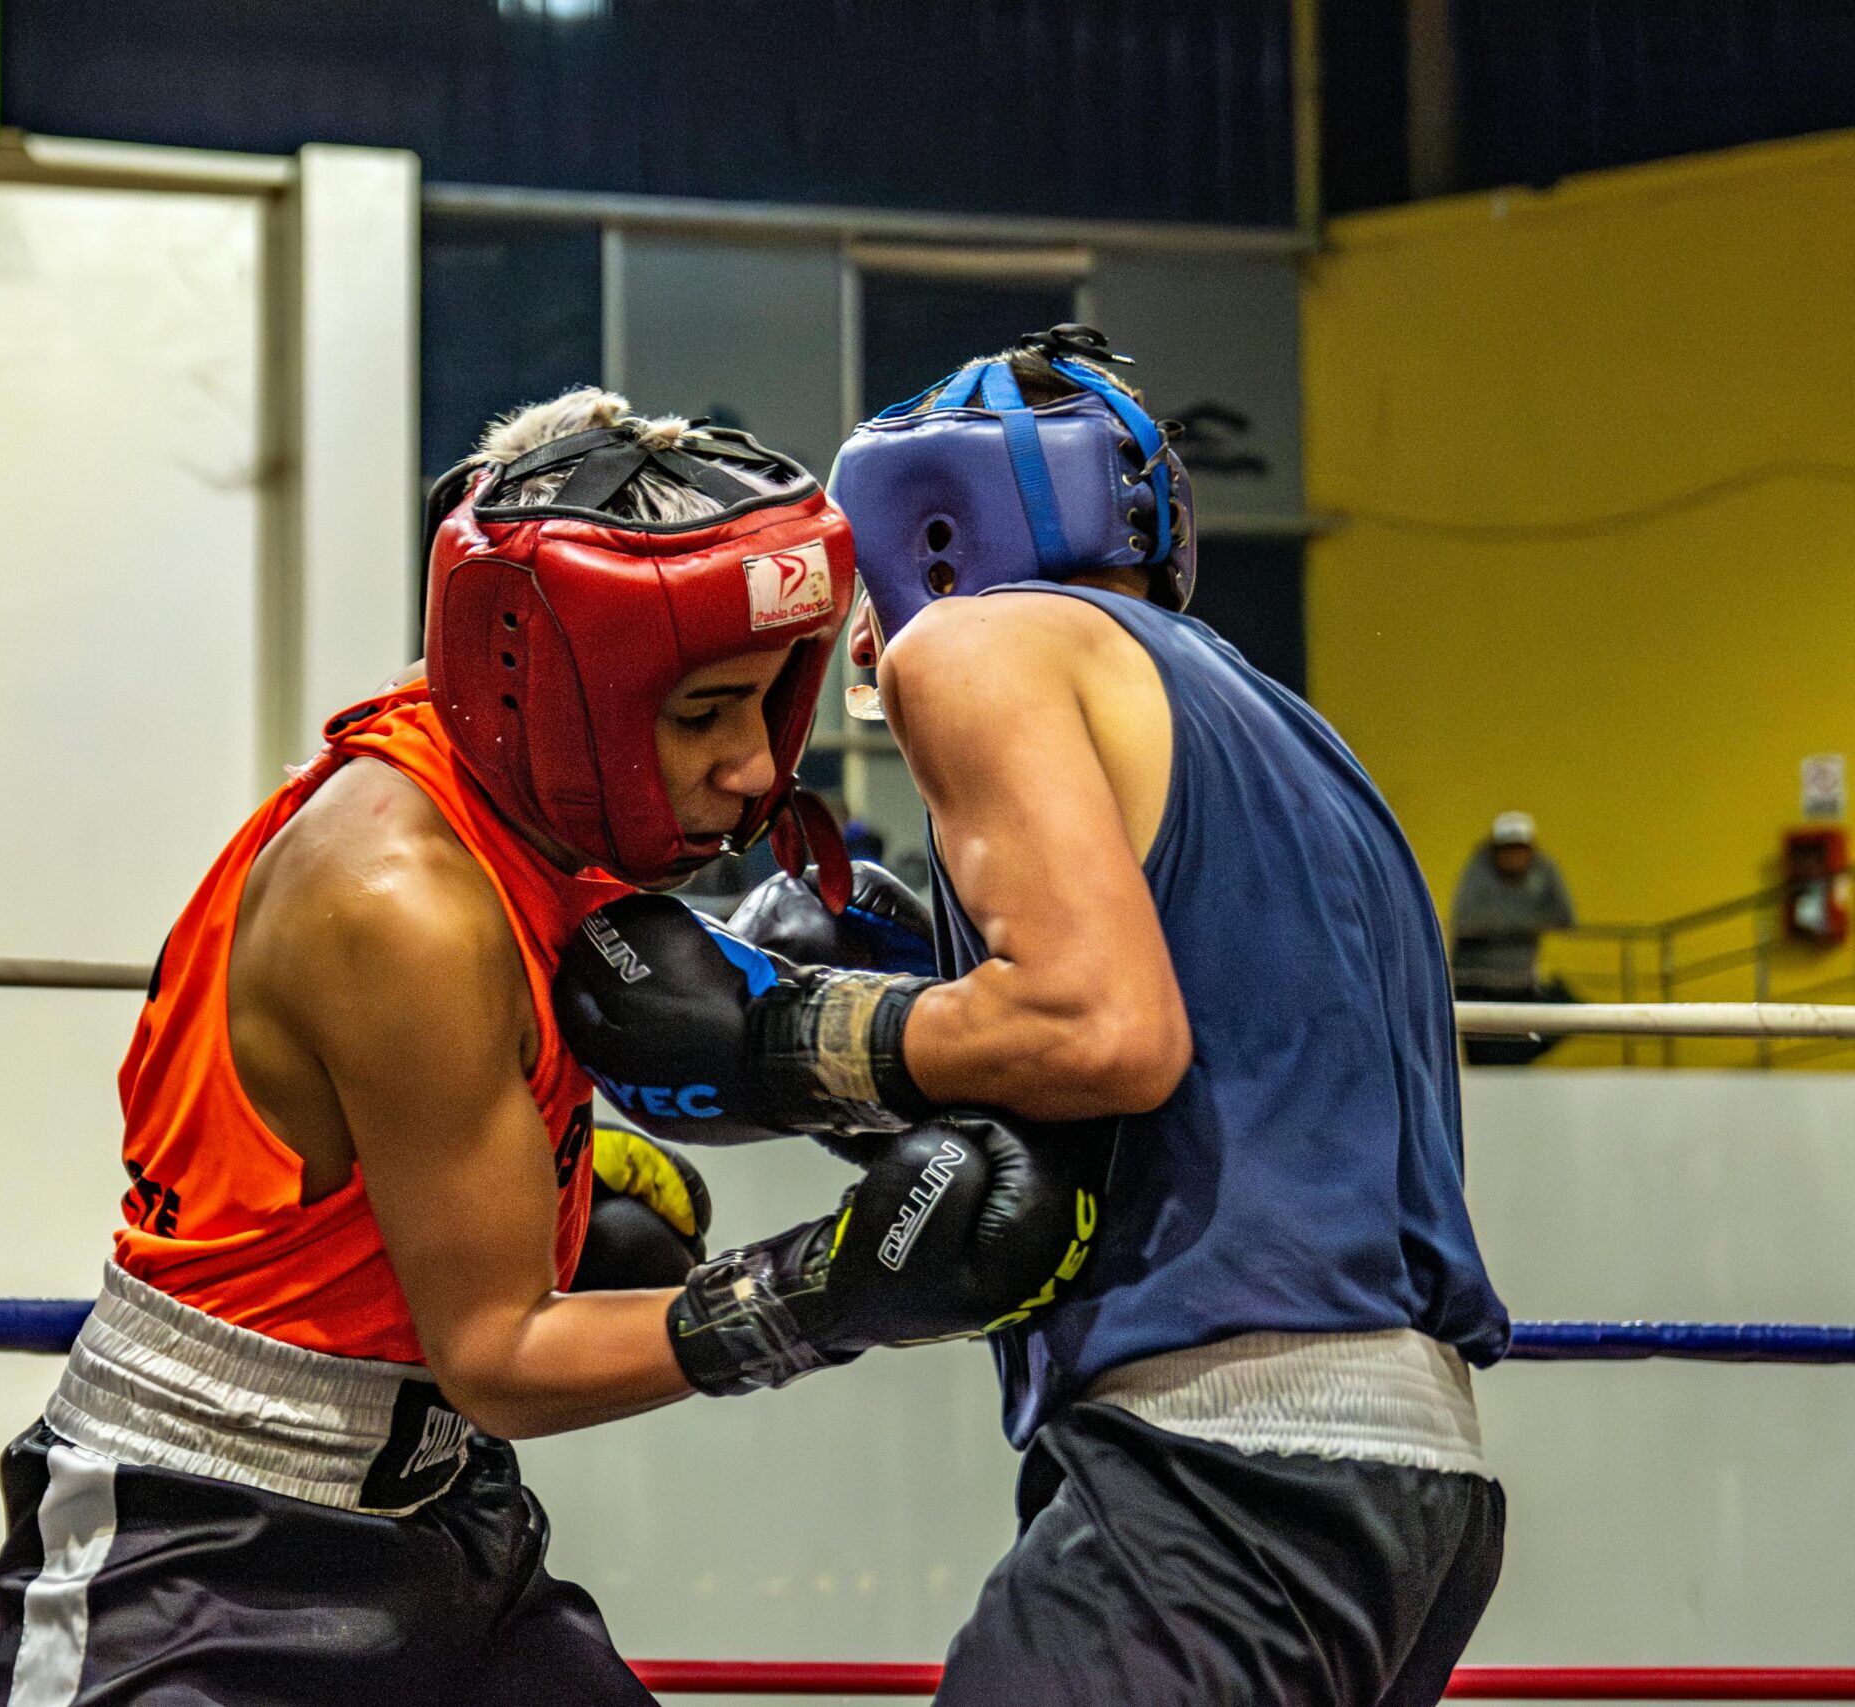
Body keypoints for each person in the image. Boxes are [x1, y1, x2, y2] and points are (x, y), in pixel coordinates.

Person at [0, 390, 1093, 1707]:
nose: (752, 768)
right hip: (200, 1551)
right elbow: (504, 1354)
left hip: (447, 1522)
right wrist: (826, 1291)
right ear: (562, 703)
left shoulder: (518, 782)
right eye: (703, 715)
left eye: (769, 700)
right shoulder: (403, 903)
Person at [557, 327, 1510, 1706]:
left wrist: (788, 1035)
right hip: (1414, 1486)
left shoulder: (976, 647)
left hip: (1225, 1463)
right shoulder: (1284, 731)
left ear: (923, 532)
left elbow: (1109, 1032)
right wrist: (924, 1017)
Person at [1450, 811, 1579, 1064]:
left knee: (1562, 1019)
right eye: (1507, 849)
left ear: (1530, 850)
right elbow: (1465, 922)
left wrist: (1502, 925)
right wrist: (1525, 924)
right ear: (1495, 850)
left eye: (1520, 849)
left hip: (1521, 986)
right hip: (1477, 985)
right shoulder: (1478, 870)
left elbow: (1566, 917)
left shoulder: (1544, 870)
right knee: (1488, 1062)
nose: (1514, 856)